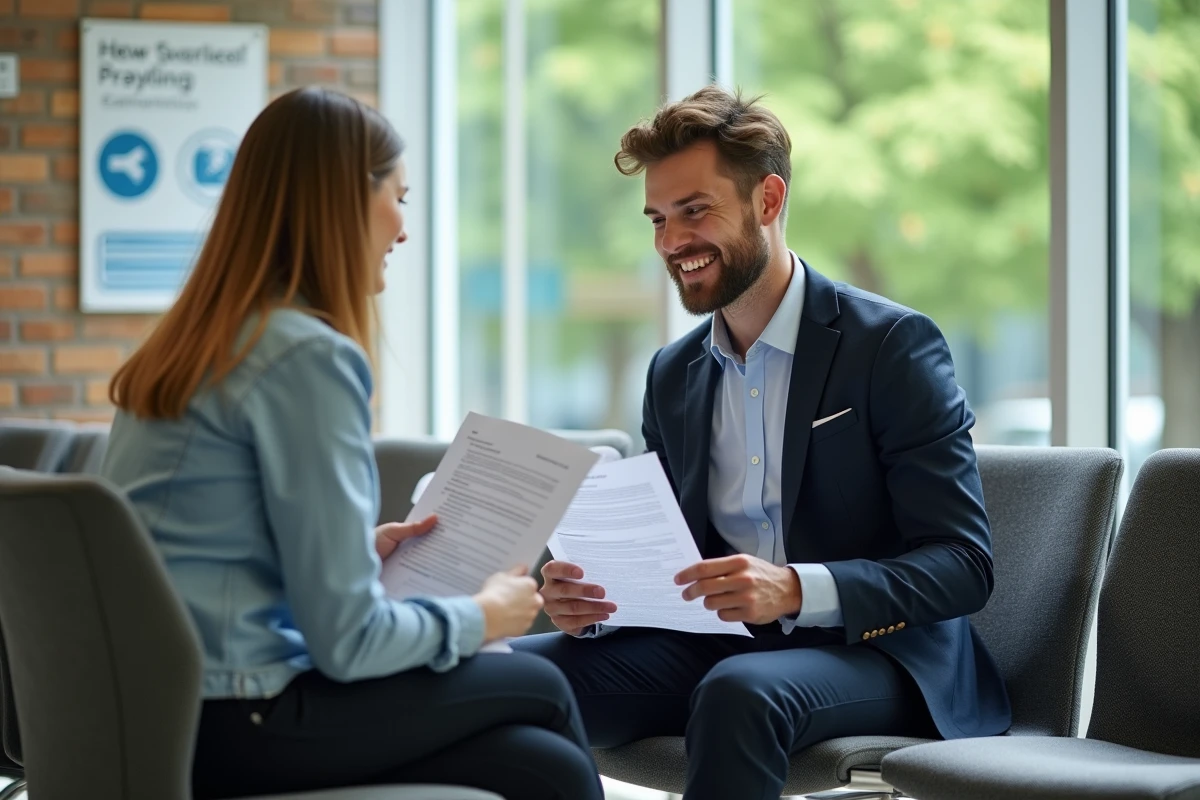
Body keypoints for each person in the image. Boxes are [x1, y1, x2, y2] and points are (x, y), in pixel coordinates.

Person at [101, 87, 603, 800]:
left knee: (539, 766)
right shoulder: (304, 356)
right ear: (342, 200)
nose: (403, 229)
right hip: (243, 716)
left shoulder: (193, 345)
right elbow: (348, 645)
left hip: (160, 714)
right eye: (399, 197)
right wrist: (482, 616)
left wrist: (351, 554)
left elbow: (200, 545)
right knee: (539, 677)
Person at [513, 85, 1012, 799]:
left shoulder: (892, 346)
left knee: (739, 690)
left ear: (768, 202)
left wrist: (793, 590)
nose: (670, 242)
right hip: (720, 644)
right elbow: (674, 558)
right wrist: (598, 604)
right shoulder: (673, 373)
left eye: (695, 211)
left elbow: (964, 565)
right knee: (511, 677)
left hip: (879, 652)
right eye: (657, 218)